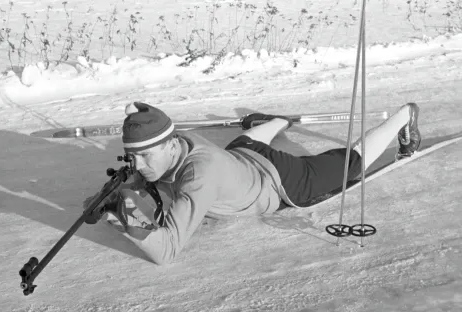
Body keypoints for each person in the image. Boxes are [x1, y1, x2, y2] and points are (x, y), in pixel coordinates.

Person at [86, 101, 421, 265]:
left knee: (350, 163)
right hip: (241, 154)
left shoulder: (199, 175)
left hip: (280, 179)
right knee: (239, 145)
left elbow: (167, 250)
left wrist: (127, 216)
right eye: (133, 158)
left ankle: (404, 116)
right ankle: (275, 122)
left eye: (145, 157)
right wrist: (116, 192)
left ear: (172, 145)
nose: (139, 167)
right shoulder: (180, 140)